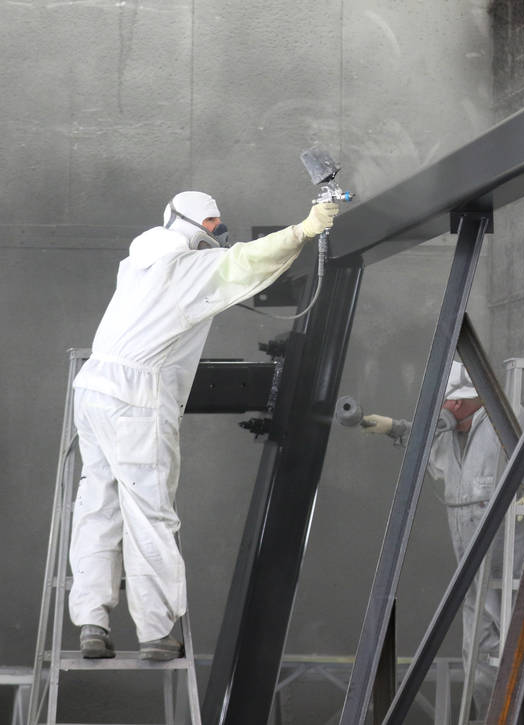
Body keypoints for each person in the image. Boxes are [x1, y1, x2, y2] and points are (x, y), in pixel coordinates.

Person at [69, 191, 339, 660]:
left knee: (98, 504)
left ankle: (92, 622)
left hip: (93, 390)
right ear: (194, 224)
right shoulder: (184, 269)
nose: (219, 226)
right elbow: (246, 261)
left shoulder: (136, 264)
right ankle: (155, 632)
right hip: (137, 400)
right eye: (212, 221)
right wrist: (304, 230)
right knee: (149, 511)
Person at [425, 362, 524, 719]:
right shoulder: (451, 440)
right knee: (480, 652)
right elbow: (433, 460)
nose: (442, 411)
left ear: (459, 403)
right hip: (475, 573)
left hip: (520, 565)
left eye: (445, 403)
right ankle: (494, 717)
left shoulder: (509, 422)